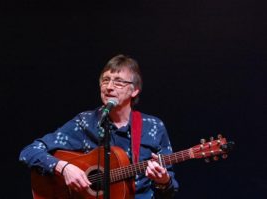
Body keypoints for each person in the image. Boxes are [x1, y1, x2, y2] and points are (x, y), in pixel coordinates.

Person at [19, 54, 179, 199]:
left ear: (134, 90)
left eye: (118, 82)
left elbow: (169, 193)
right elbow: (29, 152)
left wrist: (163, 181)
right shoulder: (85, 122)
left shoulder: (154, 127)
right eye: (105, 80)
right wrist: (64, 167)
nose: (109, 87)